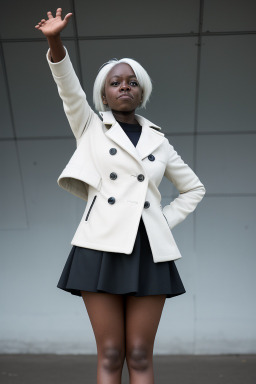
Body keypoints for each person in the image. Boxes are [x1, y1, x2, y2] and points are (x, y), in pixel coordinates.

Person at [35, 8, 205, 384]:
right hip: (100, 248)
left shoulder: (159, 141)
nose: (124, 86)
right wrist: (54, 40)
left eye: (131, 82)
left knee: (141, 354)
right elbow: (68, 87)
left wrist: (161, 220)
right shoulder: (90, 126)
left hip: (149, 250)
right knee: (111, 353)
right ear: (104, 94)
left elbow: (194, 188)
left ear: (141, 91)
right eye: (115, 83)